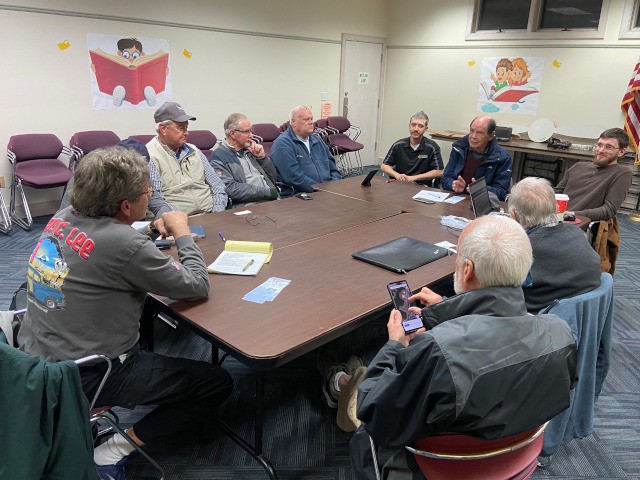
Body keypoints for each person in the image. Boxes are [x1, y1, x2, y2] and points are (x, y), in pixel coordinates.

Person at [17, 147, 233, 479]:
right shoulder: (125, 245)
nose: (151, 196)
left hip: (36, 357)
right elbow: (196, 285)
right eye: (147, 193)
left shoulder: (62, 217)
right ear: (126, 206)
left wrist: (149, 231)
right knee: (215, 383)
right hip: (90, 375)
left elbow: (104, 246)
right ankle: (112, 451)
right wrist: (182, 232)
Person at [349, 215, 578, 480]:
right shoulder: (561, 334)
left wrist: (394, 345)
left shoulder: (437, 352)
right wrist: (447, 310)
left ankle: (341, 383)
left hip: (435, 469)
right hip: (512, 462)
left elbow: (375, 413)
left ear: (467, 270)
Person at [508, 176, 601, 313]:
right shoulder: (576, 232)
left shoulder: (527, 248)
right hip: (582, 313)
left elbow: (502, 291)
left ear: (513, 215)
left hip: (537, 317)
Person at [60, 139, 174, 228]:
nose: (139, 173)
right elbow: (64, 217)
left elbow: (160, 205)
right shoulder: (86, 179)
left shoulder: (141, 176)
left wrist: (161, 223)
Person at [147, 101, 229, 215]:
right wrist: (177, 220)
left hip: (211, 213)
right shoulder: (150, 155)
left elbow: (218, 186)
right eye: (181, 128)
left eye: (187, 127)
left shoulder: (194, 151)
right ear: (163, 129)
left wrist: (217, 212)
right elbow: (156, 201)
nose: (187, 133)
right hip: (178, 219)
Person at [555, 128, 633, 222]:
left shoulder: (622, 173)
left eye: (608, 147)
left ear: (621, 152)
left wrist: (570, 214)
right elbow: (556, 193)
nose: (601, 150)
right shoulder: (578, 166)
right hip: (555, 218)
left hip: (578, 223)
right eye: (599, 145)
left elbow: (608, 211)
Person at [209, 113, 279, 207]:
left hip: (272, 200)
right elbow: (230, 189)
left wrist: (263, 158)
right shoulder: (218, 156)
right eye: (246, 132)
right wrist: (267, 193)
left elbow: (273, 179)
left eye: (251, 131)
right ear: (233, 134)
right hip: (249, 205)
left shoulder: (251, 150)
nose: (251, 135)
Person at [270, 105, 342, 197]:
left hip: (326, 191)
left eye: (311, 119)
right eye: (306, 119)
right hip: (300, 195)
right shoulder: (283, 144)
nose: (311, 122)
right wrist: (320, 189)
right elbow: (294, 177)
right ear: (293, 122)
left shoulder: (317, 140)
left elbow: (332, 166)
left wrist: (334, 184)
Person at [441, 115, 512, 200]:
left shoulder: (502, 158)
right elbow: (446, 178)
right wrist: (453, 185)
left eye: (479, 133)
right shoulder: (459, 148)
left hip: (483, 202)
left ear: (491, 136)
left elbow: (501, 192)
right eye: (472, 131)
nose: (473, 136)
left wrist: (481, 190)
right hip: (456, 198)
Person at [380, 111, 444, 185]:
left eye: (420, 126)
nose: (416, 129)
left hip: (421, 185)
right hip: (400, 183)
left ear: (426, 129)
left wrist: (413, 178)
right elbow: (384, 166)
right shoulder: (398, 145)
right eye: (413, 125)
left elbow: (439, 171)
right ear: (409, 126)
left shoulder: (432, 147)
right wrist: (397, 175)